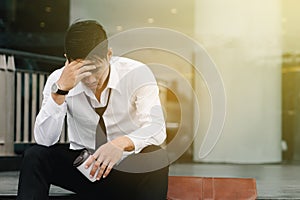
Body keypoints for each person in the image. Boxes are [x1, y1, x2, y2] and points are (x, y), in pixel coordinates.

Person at [17, 20, 169, 200]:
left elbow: (157, 128)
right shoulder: (58, 81)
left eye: (95, 68)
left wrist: (119, 144)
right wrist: (60, 92)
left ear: (109, 55)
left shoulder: (136, 73)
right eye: (82, 70)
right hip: (85, 170)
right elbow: (44, 140)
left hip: (126, 173)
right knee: (36, 155)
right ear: (68, 60)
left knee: (156, 156)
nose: (89, 78)